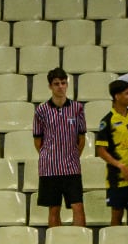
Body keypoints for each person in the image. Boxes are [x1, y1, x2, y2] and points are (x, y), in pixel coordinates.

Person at [33, 67, 88, 227]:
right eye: (56, 84)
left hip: (71, 167)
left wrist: (73, 156)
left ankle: (81, 243)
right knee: (54, 208)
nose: (60, 86)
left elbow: (82, 138)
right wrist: (49, 156)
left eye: (63, 83)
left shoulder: (77, 108)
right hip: (49, 168)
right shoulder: (41, 111)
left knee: (78, 206)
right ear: (50, 86)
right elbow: (38, 140)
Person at [96, 79, 128, 229]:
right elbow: (100, 150)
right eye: (127, 93)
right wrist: (120, 166)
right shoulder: (107, 120)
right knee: (117, 215)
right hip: (117, 178)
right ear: (117, 96)